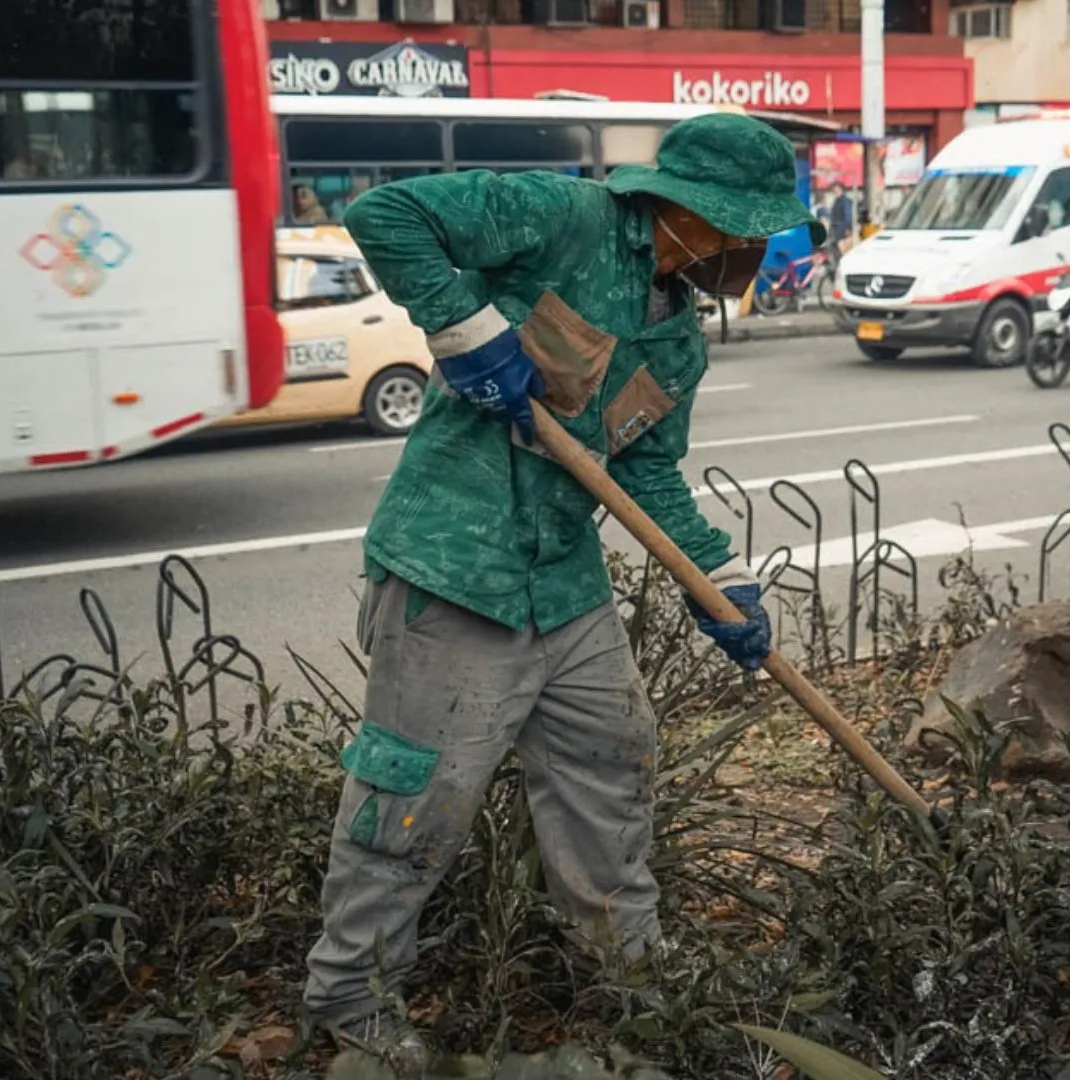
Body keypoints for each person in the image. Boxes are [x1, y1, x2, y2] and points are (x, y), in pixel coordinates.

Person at [305, 112, 821, 1075]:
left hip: (565, 586)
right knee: (416, 798)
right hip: (456, 569)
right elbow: (390, 212)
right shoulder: (563, 217)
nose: (752, 249)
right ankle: (350, 995)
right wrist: (466, 330)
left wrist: (725, 583)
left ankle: (629, 976)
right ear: (685, 210)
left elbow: (651, 473)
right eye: (742, 226)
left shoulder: (680, 335)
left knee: (613, 760)